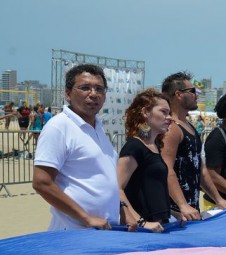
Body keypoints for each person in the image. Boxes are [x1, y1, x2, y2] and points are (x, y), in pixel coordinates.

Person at [32, 64, 119, 230]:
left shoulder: (98, 128)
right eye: (85, 88)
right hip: (75, 232)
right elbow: (42, 182)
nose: (93, 94)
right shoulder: (59, 126)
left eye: (99, 89)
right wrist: (85, 218)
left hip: (105, 230)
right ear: (67, 93)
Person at [160, 72, 226, 221]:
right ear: (178, 94)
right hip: (175, 215)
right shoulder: (172, 129)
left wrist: (218, 199)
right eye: (192, 91)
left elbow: (201, 169)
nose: (196, 95)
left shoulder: (190, 128)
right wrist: (182, 205)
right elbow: (165, 169)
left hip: (190, 212)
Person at [116, 89, 175, 233]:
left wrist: (174, 213)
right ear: (145, 112)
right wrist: (140, 222)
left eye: (169, 113)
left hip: (159, 227)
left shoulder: (154, 146)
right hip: (142, 232)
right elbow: (116, 188)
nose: (170, 118)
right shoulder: (134, 147)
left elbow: (153, 190)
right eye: (164, 112)